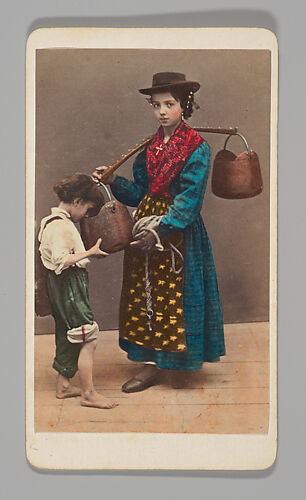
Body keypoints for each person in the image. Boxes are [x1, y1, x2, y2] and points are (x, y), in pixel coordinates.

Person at [93, 72, 225, 393]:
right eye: (156, 105)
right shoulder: (149, 148)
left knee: (176, 296)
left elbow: (189, 201)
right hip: (145, 226)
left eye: (169, 104)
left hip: (177, 230)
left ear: (185, 105)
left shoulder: (197, 148)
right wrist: (113, 181)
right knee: (145, 295)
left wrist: (160, 231)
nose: (162, 111)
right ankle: (150, 365)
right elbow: (141, 193)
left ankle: (177, 365)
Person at [38, 173, 118, 409]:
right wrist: (89, 253)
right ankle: (88, 393)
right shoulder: (61, 226)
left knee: (67, 334)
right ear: (76, 202)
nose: (85, 215)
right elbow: (62, 260)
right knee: (88, 337)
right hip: (68, 285)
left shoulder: (48, 221)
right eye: (86, 209)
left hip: (58, 286)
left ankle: (63, 386)